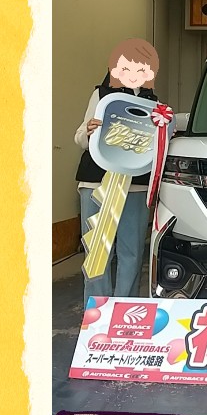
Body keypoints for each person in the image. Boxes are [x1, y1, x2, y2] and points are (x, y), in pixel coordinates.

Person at [74, 39, 159, 307]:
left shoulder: (154, 103)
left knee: (132, 252)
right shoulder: (101, 95)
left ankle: (124, 310)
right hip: (97, 182)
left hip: (135, 184)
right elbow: (79, 137)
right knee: (97, 252)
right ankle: (97, 313)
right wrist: (89, 131)